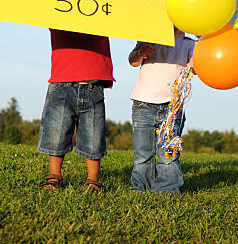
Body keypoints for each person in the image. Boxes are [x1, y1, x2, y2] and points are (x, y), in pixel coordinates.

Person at [38, 28, 114, 192]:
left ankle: (93, 180)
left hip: (93, 83)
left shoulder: (101, 13)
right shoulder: (59, 13)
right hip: (62, 81)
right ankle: (54, 175)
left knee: (93, 135)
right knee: (56, 132)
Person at [128, 27, 196, 194]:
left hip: (172, 107)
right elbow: (133, 61)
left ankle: (167, 189)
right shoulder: (149, 36)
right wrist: (139, 53)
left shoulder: (191, 45)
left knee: (168, 153)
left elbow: (195, 70)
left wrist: (196, 64)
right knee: (142, 153)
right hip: (143, 103)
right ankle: (139, 188)